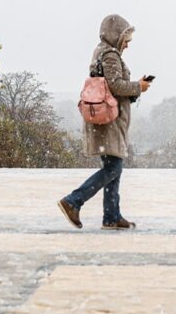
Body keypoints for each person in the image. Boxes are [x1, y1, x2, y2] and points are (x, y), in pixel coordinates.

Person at [58, 13, 151, 230]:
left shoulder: (103, 51)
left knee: (113, 165)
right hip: (110, 120)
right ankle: (73, 201)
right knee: (113, 168)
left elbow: (110, 86)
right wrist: (138, 86)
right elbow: (116, 85)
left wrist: (136, 89)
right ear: (117, 36)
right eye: (126, 39)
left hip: (106, 118)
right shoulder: (110, 55)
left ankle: (111, 216)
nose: (127, 45)